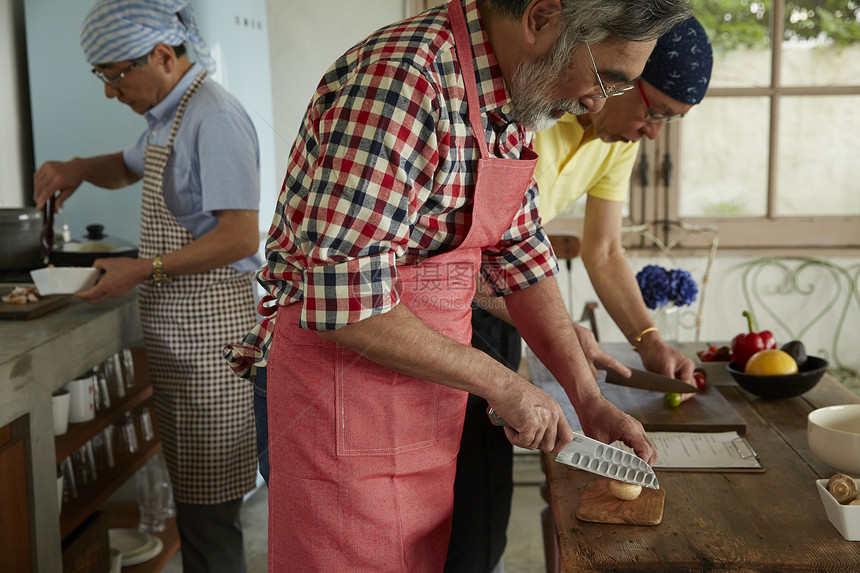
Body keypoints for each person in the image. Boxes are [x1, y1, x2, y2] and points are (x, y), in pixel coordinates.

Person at [224, 0, 691, 570]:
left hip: (421, 407)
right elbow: (346, 295)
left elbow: (521, 257)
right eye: (605, 78)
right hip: (340, 409)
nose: (595, 102)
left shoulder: (512, 99)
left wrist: (587, 398)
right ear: (541, 18)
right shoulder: (402, 80)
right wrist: (506, 385)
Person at [446, 15, 713, 573]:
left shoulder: (617, 140)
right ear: (618, 71)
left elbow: (604, 251)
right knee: (454, 505)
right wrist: (559, 329)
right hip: (441, 309)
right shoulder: (539, 108)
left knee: (484, 502)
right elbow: (449, 261)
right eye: (654, 110)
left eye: (671, 121)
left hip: (497, 313)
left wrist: (648, 342)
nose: (654, 131)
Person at [32, 2, 261, 571]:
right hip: (181, 338)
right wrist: (80, 166)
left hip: (214, 341)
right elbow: (128, 166)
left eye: (115, 75)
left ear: (162, 55)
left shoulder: (215, 116)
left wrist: (143, 268)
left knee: (211, 518)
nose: (111, 92)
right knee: (197, 506)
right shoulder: (169, 113)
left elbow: (239, 236)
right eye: (102, 77)